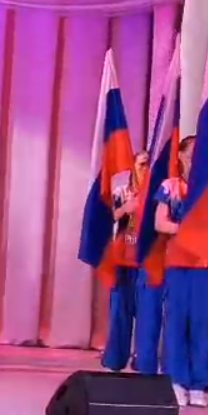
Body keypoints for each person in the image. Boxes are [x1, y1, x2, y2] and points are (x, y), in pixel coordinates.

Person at [155, 136, 205, 406]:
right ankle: (176, 380)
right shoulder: (170, 186)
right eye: (191, 153)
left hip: (204, 264)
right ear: (181, 156)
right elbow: (160, 223)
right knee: (176, 321)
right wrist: (186, 231)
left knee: (202, 323)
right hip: (177, 262)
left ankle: (199, 383)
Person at [104, 151, 162, 375]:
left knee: (147, 314)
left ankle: (143, 361)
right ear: (133, 166)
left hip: (146, 262)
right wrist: (124, 209)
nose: (144, 169)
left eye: (148, 165)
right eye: (141, 164)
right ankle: (115, 360)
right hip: (122, 260)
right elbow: (105, 218)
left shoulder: (157, 193)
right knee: (120, 311)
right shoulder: (122, 191)